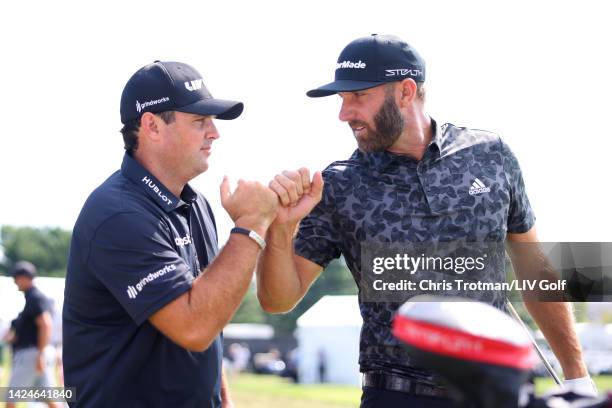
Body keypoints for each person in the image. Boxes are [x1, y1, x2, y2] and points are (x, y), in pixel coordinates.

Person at [256, 34, 595, 407]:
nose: (344, 113)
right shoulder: (338, 184)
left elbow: (535, 268)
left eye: (358, 97)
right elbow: (278, 299)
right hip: (396, 397)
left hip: (495, 394)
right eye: (342, 100)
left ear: (405, 91)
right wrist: (282, 228)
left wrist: (577, 376)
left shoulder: (489, 154)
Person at [63, 60, 278, 407]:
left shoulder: (197, 206)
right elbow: (194, 325)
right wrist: (251, 224)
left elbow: (208, 307)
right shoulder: (117, 214)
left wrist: (217, 389)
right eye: (199, 121)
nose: (214, 132)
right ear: (151, 126)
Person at [6, 261, 59, 408]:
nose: (15, 282)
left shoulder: (35, 298)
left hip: (31, 355)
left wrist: (40, 354)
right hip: (36, 355)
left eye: (16, 278)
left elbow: (45, 325)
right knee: (50, 400)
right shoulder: (34, 298)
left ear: (24, 277)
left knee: (11, 398)